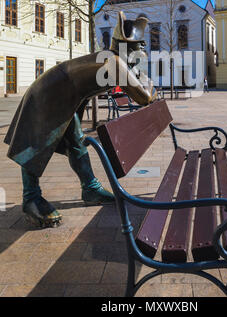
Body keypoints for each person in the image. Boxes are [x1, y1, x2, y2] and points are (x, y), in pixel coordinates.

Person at [4, 12, 156, 227]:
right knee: (35, 144)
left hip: (64, 93)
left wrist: (144, 81)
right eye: (139, 46)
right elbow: (144, 97)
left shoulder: (115, 60)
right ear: (127, 47)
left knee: (75, 142)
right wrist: (149, 84)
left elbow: (141, 89)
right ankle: (30, 198)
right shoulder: (114, 62)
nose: (143, 50)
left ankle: (90, 188)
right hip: (50, 93)